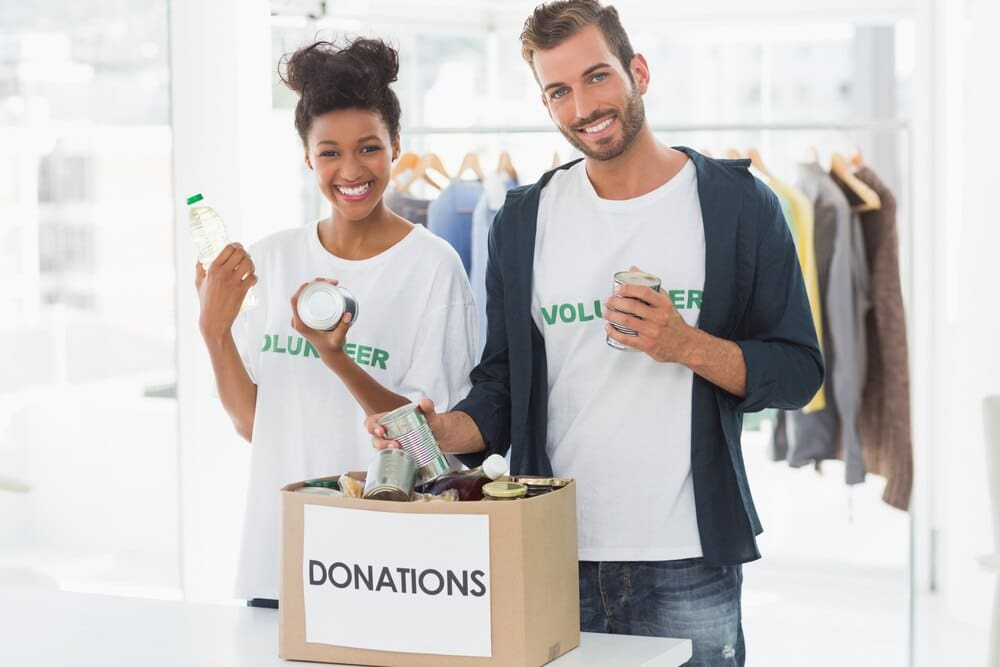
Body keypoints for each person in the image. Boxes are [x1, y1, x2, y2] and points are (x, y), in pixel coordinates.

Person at [367, 2, 823, 665]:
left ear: (639, 72)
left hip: (689, 558)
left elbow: (799, 372)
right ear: (546, 103)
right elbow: (501, 388)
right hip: (551, 549)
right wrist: (437, 433)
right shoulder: (523, 220)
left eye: (597, 76)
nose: (582, 106)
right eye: (559, 91)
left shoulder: (738, 205)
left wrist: (685, 345)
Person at [195, 38, 476, 608]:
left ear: (397, 146)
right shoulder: (271, 260)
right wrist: (213, 330)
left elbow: (430, 449)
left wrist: (336, 358)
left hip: (384, 569)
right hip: (279, 557)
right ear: (307, 157)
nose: (351, 171)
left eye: (369, 148)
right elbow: (253, 425)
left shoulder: (433, 267)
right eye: (329, 153)